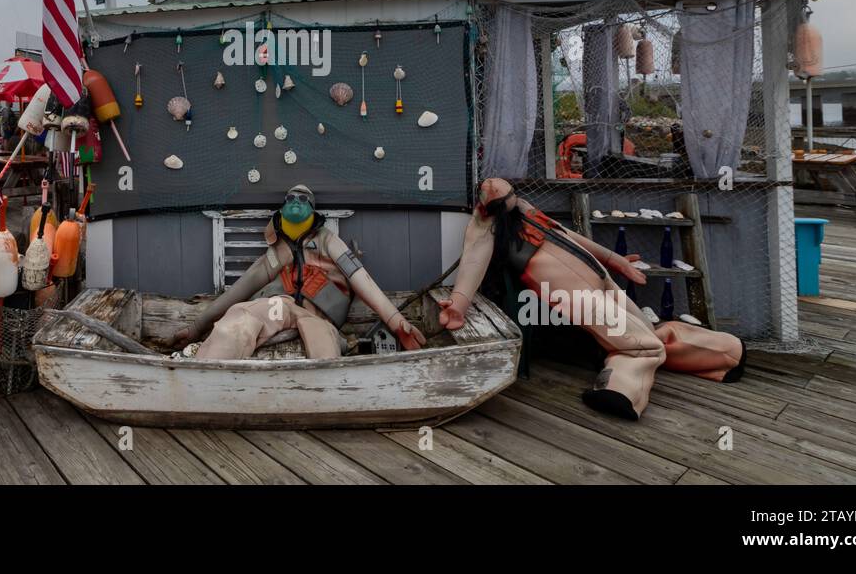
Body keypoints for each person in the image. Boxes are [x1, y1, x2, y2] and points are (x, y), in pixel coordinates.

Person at [439, 178, 745, 421]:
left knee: (644, 333)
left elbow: (569, 236)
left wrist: (615, 261)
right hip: (574, 296)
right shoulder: (486, 227)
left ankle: (726, 356)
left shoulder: (527, 212)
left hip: (603, 282)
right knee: (642, 348)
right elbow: (473, 263)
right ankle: (618, 392)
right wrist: (459, 304)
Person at [169, 184, 426, 359]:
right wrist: (195, 328)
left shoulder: (329, 242)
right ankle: (207, 366)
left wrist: (396, 322)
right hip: (282, 309)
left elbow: (360, 278)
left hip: (320, 319)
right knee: (241, 315)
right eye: (290, 198)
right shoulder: (278, 253)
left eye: (303, 199)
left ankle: (327, 390)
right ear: (282, 208)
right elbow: (241, 288)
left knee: (321, 340)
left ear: (312, 209)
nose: (296, 202)